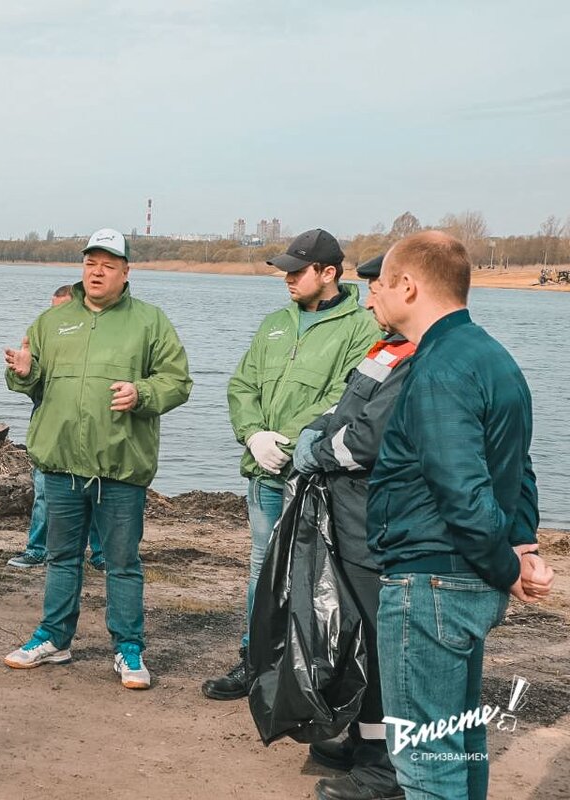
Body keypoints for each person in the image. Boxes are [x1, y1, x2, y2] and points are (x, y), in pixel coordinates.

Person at [366, 231, 553, 799]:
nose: (371, 293)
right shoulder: (492, 356)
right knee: (461, 746)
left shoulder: (441, 367)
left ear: (408, 285)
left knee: (426, 762)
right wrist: (522, 548)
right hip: (462, 579)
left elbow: (463, 490)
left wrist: (507, 564)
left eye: (378, 282)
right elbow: (519, 468)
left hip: (432, 583)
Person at [1, 228, 192, 690]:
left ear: (126, 272)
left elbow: (178, 381)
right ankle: (53, 638)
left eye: (109, 264)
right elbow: (31, 382)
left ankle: (129, 648)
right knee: (62, 557)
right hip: (61, 463)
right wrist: (24, 374)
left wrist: (142, 392)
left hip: (120, 467)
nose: (97, 271)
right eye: (91, 263)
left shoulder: (150, 322)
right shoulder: (53, 321)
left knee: (123, 563)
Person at [206, 228, 379, 701]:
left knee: (315, 573)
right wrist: (253, 434)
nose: (287, 278)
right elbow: (242, 384)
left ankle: (310, 673)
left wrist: (287, 441)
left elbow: (346, 397)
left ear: (328, 273)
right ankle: (255, 661)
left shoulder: (361, 326)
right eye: (284, 270)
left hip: (314, 477)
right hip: (263, 473)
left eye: (296, 271)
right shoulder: (275, 324)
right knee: (263, 569)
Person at [290, 255, 412, 800]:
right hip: (351, 519)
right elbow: (345, 411)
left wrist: (313, 452)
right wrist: (312, 433)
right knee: (361, 637)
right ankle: (365, 747)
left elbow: (365, 439)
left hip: (376, 524)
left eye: (376, 288)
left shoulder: (418, 357)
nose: (367, 301)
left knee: (387, 651)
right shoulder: (385, 348)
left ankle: (388, 768)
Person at [7, 284, 105, 571]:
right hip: (51, 432)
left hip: (93, 433)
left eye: (60, 309)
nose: (54, 316)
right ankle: (37, 549)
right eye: (51, 309)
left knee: (97, 493)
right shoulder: (44, 341)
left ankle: (100, 554)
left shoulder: (95, 343)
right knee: (44, 493)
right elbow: (27, 386)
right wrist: (24, 373)